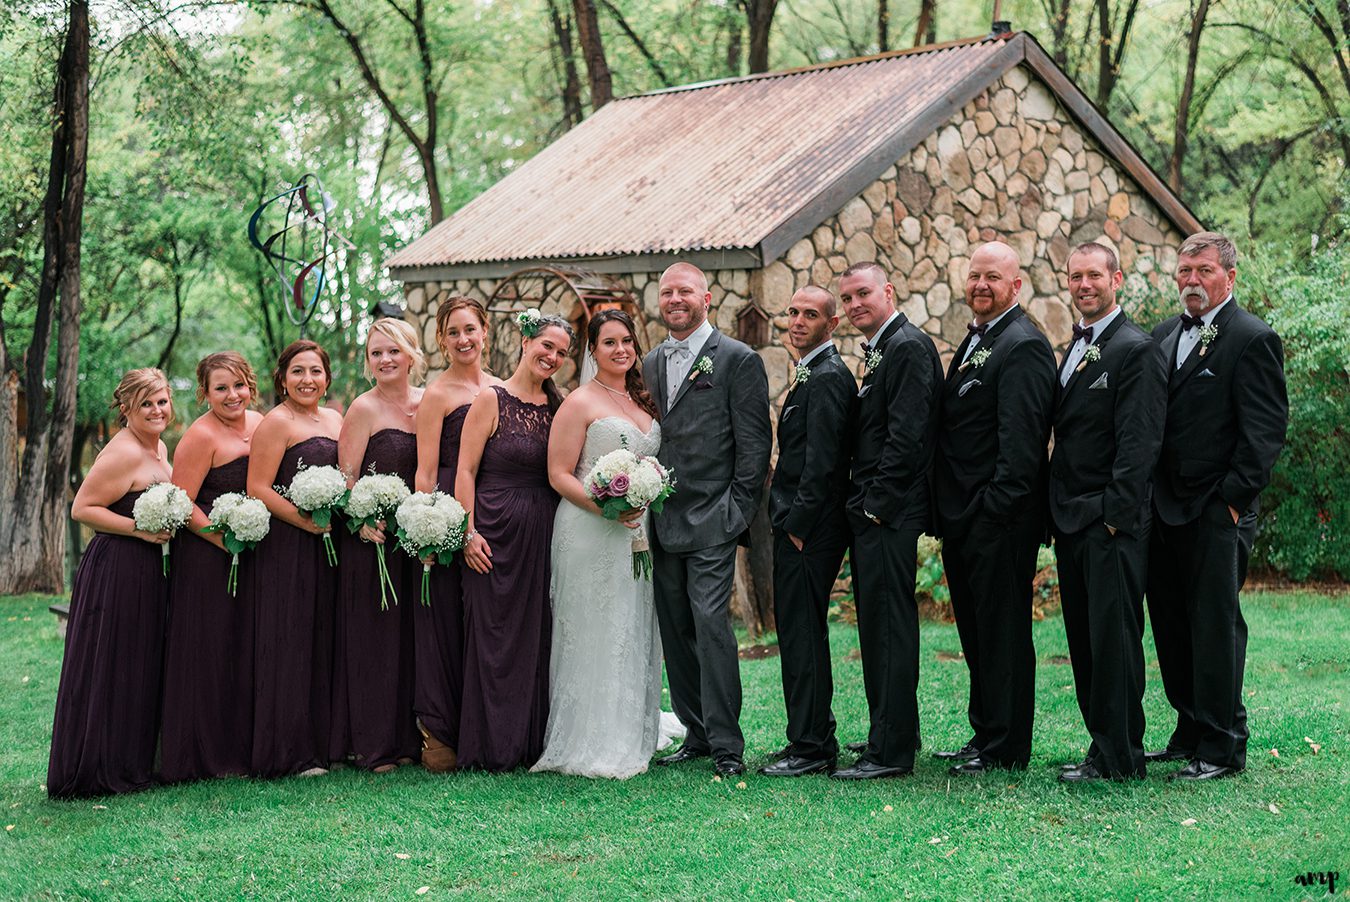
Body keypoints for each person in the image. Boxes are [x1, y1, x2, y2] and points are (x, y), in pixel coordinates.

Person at [1145, 231, 1288, 781]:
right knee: (1172, 625)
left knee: (1214, 625)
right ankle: (1189, 729)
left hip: (1214, 510)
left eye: (1203, 271)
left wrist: (1231, 503)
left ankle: (1223, 744)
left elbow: (1264, 434)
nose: (1192, 281)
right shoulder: (1163, 336)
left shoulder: (1252, 338)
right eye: (1185, 271)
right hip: (1162, 509)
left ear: (1229, 276)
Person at [642, 262, 771, 778]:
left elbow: (755, 445)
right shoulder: (650, 363)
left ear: (707, 298)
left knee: (711, 625)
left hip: (714, 518)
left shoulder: (738, 360)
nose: (675, 299)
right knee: (675, 629)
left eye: (685, 291)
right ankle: (694, 733)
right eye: (667, 291)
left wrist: (736, 511)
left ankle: (726, 744)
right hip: (661, 518)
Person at [933, 241, 1056, 775]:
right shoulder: (981, 338)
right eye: (975, 276)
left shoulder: (1023, 344)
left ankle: (1005, 747)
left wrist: (993, 511)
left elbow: (1023, 443)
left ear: (1016, 285)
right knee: (977, 634)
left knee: (1003, 633)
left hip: (999, 520)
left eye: (993, 278)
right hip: (966, 518)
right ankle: (984, 735)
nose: (981, 286)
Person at [532, 309, 670, 779]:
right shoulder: (579, 403)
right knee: (591, 630)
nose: (621, 350)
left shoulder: (642, 400)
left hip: (636, 533)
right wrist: (605, 508)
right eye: (609, 342)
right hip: (589, 530)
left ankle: (630, 729)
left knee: (629, 626)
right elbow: (558, 474)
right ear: (593, 351)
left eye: (627, 341)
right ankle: (588, 740)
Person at [1050, 243, 1166, 783]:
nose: (1084, 284)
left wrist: (1115, 517)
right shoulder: (1076, 345)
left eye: (1094, 275)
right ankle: (1101, 747)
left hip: (1109, 523)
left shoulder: (1135, 348)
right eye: (1075, 276)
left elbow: (1140, 443)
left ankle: (1123, 757)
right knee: (1086, 643)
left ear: (1116, 279)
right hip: (1071, 521)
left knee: (1115, 641)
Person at [829, 265, 942, 781]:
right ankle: (893, 728)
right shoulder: (879, 348)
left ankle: (891, 751)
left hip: (888, 513)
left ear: (889, 292)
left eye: (863, 294)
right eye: (847, 297)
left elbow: (908, 435)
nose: (854, 304)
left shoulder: (908, 347)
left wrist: (876, 505)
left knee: (890, 628)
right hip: (876, 511)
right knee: (877, 626)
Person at [48, 368, 174, 798]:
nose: (157, 410)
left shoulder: (157, 447)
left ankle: (132, 759)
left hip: (145, 568)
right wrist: (139, 531)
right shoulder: (122, 452)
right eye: (146, 404)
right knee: (113, 661)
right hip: (118, 567)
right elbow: (82, 508)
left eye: (161, 401)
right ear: (125, 410)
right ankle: (101, 766)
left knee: (137, 662)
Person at [455, 312, 573, 772]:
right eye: (546, 345)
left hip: (545, 532)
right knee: (493, 634)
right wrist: (467, 532)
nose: (553, 357)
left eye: (562, 353)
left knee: (538, 636)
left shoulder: (559, 406)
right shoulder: (491, 399)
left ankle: (531, 742)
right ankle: (490, 746)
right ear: (526, 341)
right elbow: (465, 470)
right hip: (494, 530)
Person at [756, 287, 855, 777]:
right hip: (799, 526)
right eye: (793, 312)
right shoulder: (811, 372)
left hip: (808, 531)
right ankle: (808, 735)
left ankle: (813, 747)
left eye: (810, 314)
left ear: (831, 324)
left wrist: (796, 526)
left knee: (803, 635)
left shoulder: (830, 378)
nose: (797, 320)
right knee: (797, 635)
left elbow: (824, 462)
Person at [160, 353, 265, 783]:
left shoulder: (261, 425)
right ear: (204, 393)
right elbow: (182, 503)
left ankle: (245, 747)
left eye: (238, 385)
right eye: (220, 388)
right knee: (212, 650)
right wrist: (226, 540)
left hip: (252, 554)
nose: (232, 395)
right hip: (208, 557)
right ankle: (205, 754)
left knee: (245, 648)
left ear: (250, 386)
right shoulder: (199, 437)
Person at [246, 340, 344, 778]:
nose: (308, 380)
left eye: (316, 372)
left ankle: (325, 743)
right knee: (291, 639)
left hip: (330, 543)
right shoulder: (275, 423)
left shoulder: (336, 419)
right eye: (298, 372)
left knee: (324, 637)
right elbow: (259, 488)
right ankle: (289, 750)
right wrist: (304, 522)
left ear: (327, 377)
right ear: (282, 378)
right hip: (288, 544)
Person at [332, 318, 425, 773]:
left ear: (411, 354)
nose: (385, 360)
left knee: (412, 638)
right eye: (376, 353)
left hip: (417, 541)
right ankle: (374, 743)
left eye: (393, 351)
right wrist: (361, 520)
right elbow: (345, 481)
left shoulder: (428, 404)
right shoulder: (362, 409)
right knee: (375, 640)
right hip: (373, 544)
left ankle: (410, 737)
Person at [413, 297, 500, 772]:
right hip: (449, 510)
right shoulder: (438, 395)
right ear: (442, 340)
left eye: (471, 329)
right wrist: (427, 531)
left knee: (488, 623)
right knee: (446, 621)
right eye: (453, 332)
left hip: (498, 509)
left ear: (485, 331)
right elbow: (425, 470)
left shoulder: (503, 387)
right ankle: (440, 733)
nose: (463, 339)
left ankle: (488, 725)